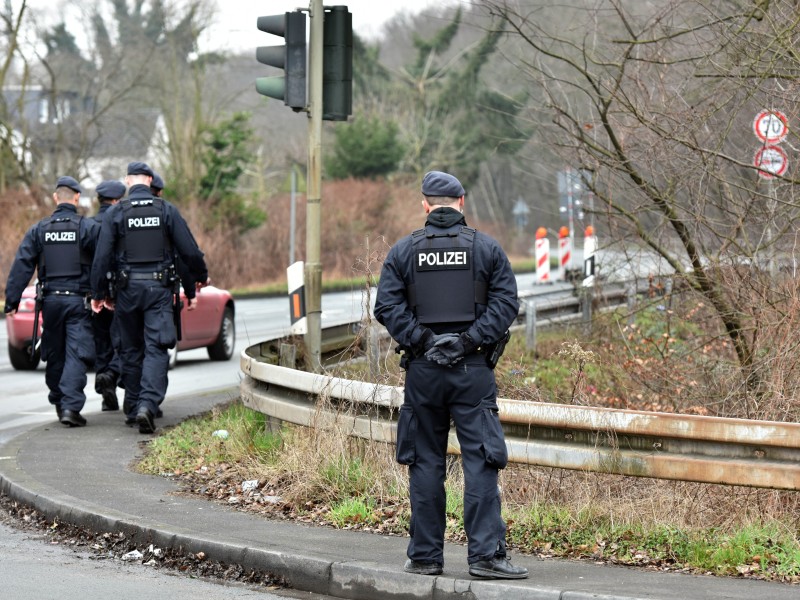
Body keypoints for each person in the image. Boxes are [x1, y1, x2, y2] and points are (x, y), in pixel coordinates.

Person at [374, 171, 527, 580]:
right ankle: (485, 558)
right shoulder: (487, 249)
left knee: (425, 461)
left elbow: (387, 308)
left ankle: (425, 557)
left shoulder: (403, 252)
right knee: (480, 460)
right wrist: (466, 342)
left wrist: (423, 341)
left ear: (425, 205)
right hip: (472, 370)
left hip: (424, 373)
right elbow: (507, 303)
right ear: (462, 202)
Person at [90, 162, 209, 434]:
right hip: (158, 290)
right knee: (156, 348)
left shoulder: (117, 213)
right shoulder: (166, 210)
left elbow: (102, 257)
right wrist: (200, 275)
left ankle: (133, 408)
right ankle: (147, 405)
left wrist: (99, 294)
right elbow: (188, 251)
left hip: (126, 292)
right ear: (150, 181)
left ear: (129, 182)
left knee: (130, 349)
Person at [4, 176, 100, 427]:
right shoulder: (87, 228)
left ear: (56, 198)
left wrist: (11, 301)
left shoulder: (39, 229)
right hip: (78, 302)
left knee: (55, 353)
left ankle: (59, 401)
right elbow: (103, 261)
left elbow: (22, 265)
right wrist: (103, 294)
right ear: (77, 197)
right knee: (76, 354)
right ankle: (70, 407)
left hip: (51, 302)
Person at [91, 180, 126, 412]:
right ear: (116, 200)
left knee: (102, 342)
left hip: (96, 294)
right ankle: (112, 374)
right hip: (122, 292)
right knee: (123, 341)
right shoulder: (121, 221)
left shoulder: (88, 225)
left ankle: (107, 394)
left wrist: (95, 292)